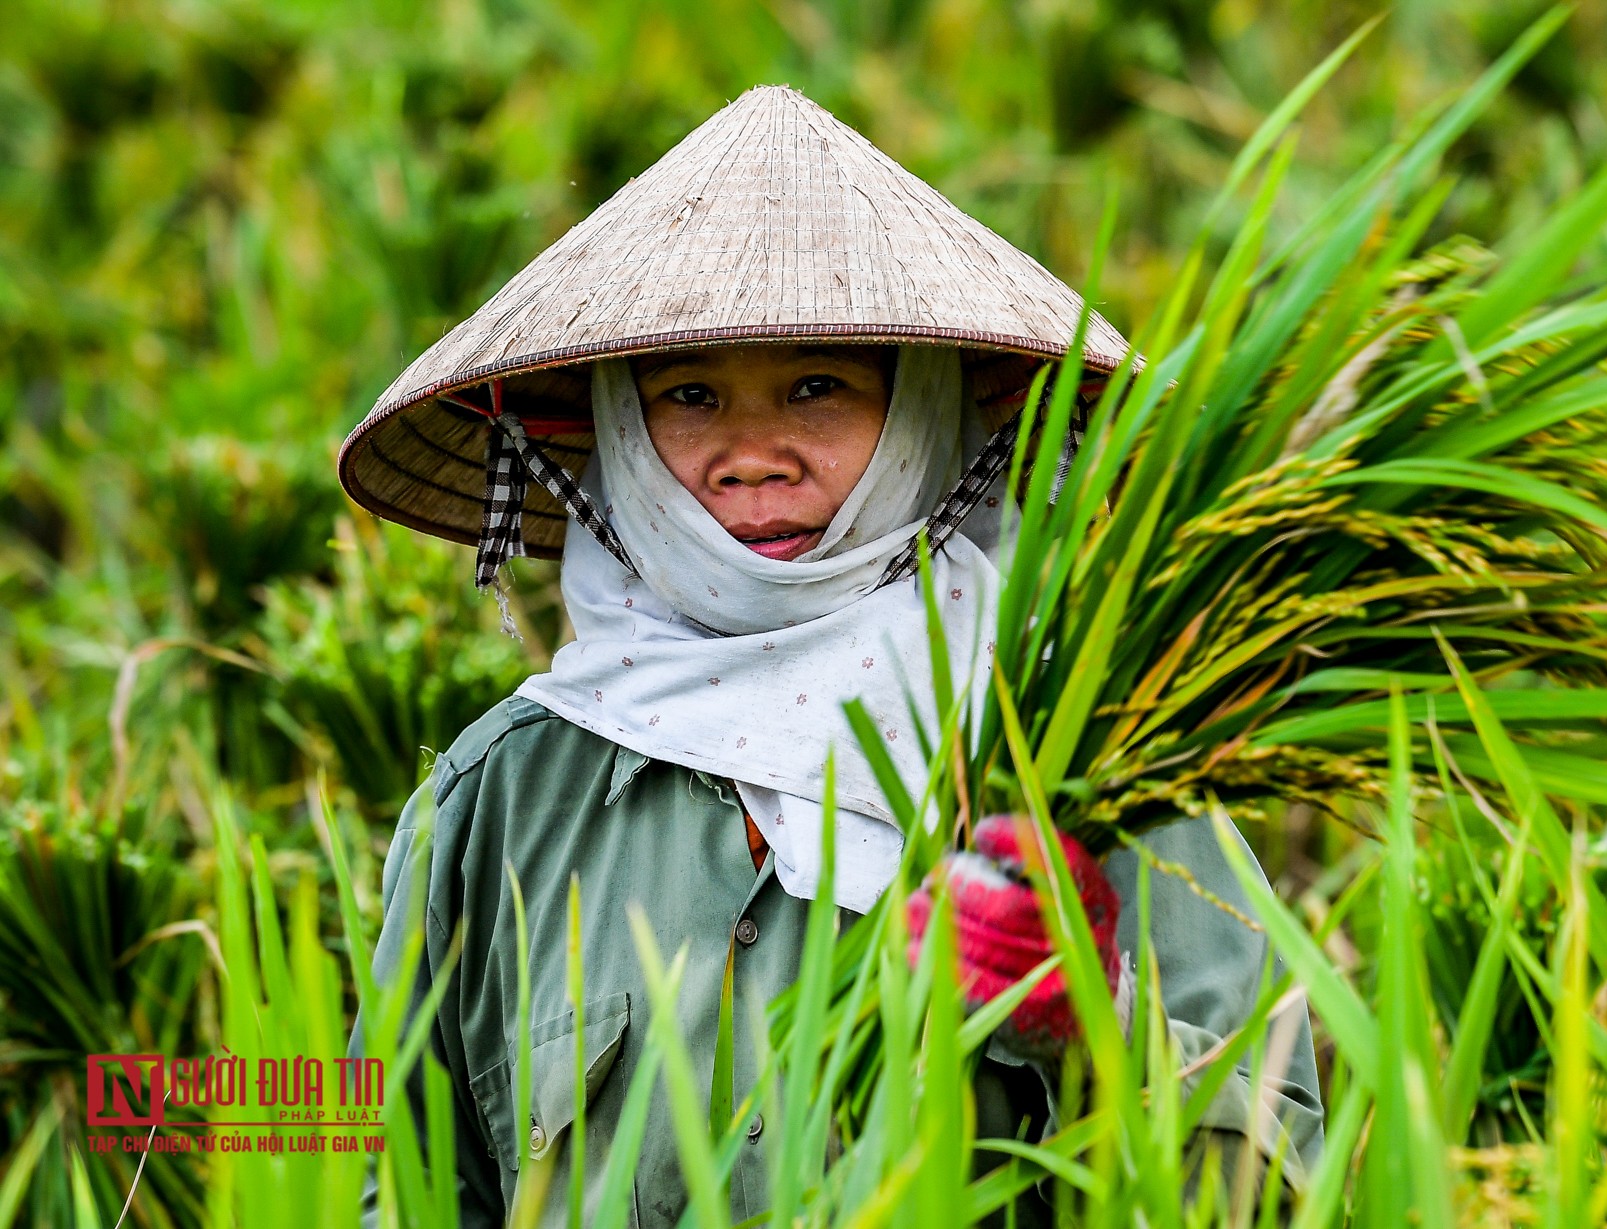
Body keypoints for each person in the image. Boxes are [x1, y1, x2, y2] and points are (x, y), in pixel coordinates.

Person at [339, 85, 1322, 1227]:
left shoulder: (1089, 749)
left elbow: (1280, 1179)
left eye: (819, 386)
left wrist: (1090, 1017)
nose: (752, 454)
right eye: (688, 394)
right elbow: (392, 1190)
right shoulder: (497, 802)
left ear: (925, 415)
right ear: (615, 428)